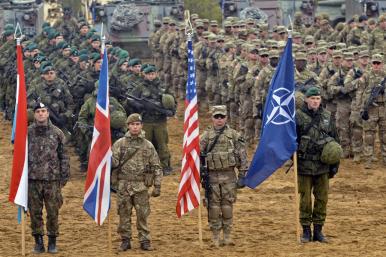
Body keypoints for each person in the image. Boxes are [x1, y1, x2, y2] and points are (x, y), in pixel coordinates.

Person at [111, 113, 162, 251]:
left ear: (141, 126)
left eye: (137, 124)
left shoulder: (148, 145)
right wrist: (106, 156)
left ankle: (144, 240)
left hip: (141, 186)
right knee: (123, 214)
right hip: (123, 185)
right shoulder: (120, 143)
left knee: (142, 215)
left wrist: (157, 185)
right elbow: (114, 163)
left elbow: (156, 166)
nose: (135, 127)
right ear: (128, 126)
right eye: (132, 124)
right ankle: (125, 240)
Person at [296, 87, 340, 243]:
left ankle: (319, 231)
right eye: (312, 98)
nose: (315, 101)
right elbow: (290, 140)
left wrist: (335, 164)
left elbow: (335, 140)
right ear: (306, 100)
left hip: (322, 165)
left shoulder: (327, 117)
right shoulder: (298, 117)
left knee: (322, 199)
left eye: (317, 98)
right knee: (305, 200)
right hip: (304, 165)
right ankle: (306, 231)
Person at [199, 105, 248, 247]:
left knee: (227, 206)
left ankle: (227, 236)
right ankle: (215, 236)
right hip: (212, 177)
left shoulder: (234, 135)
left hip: (229, 176)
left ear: (226, 117)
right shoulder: (205, 136)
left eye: (222, 117)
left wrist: (243, 174)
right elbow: (196, 157)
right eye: (216, 117)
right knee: (213, 208)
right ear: (212, 118)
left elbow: (242, 155)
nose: (219, 120)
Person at [28, 102, 70, 254]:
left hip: (52, 180)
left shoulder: (57, 133)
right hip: (33, 180)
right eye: (38, 111)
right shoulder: (27, 133)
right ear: (34, 114)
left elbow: (64, 156)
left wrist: (64, 176)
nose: (41, 114)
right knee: (35, 213)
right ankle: (38, 241)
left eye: (43, 111)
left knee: (53, 212)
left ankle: (52, 241)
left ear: (48, 113)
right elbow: (20, 156)